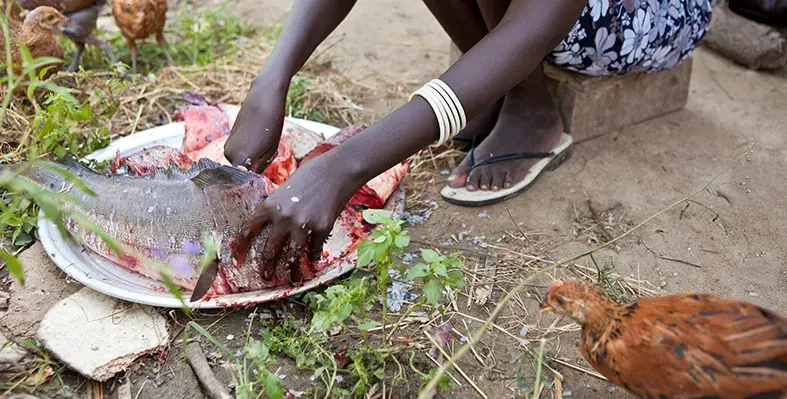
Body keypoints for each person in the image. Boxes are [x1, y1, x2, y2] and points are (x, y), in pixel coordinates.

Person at [224, 0, 713, 270]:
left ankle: (531, 109)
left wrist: (343, 166)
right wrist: (273, 77)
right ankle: (490, 83)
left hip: (649, 15)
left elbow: (534, 27)